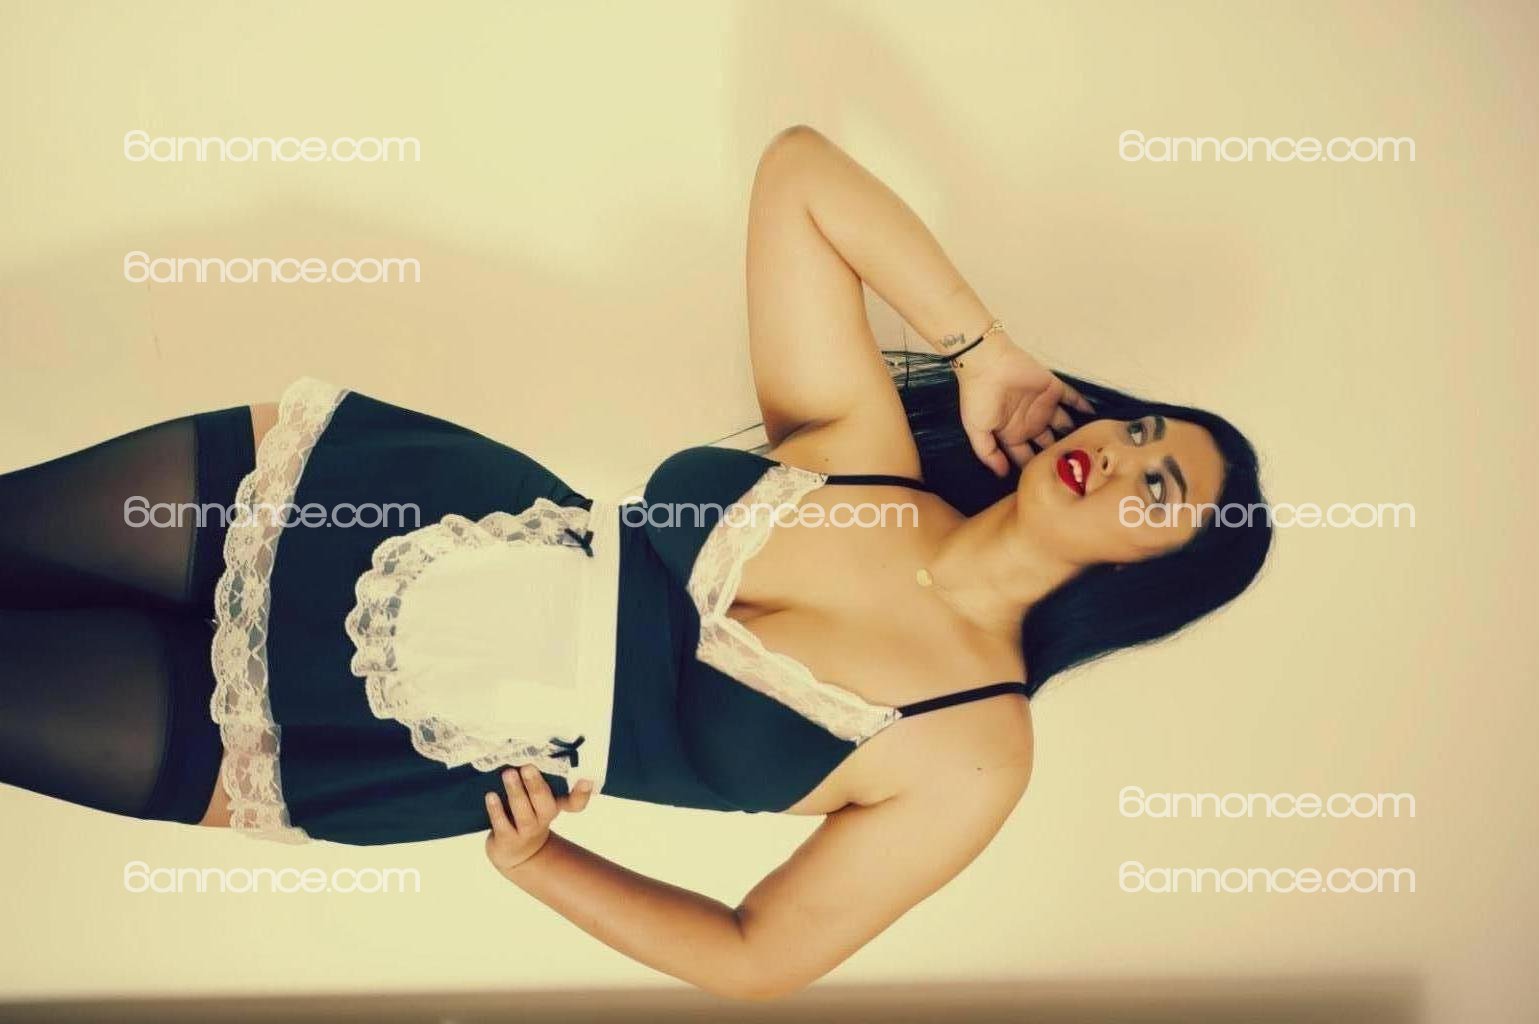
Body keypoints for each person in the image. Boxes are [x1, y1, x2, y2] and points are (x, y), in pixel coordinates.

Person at [0, 124, 1271, 999]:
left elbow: (761, 955)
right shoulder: (868, 456)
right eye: (1140, 431)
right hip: (349, 500)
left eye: (1160, 487)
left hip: (370, 743)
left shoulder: (978, 749)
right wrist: (983, 350)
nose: (1121, 456)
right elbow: (798, 176)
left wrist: (544, 865)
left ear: (1151, 569)